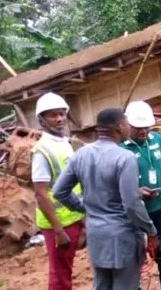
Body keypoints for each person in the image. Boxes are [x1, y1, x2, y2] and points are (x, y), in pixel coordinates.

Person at [53, 108, 158, 290]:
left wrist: (87, 208)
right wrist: (150, 230)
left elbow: (59, 191)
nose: (128, 128)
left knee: (102, 285)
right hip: (122, 236)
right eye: (126, 124)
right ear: (119, 127)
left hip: (96, 235)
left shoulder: (81, 154)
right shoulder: (125, 158)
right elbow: (131, 204)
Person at [121, 101, 161, 290]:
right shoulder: (121, 148)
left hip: (156, 208)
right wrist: (136, 191)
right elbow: (113, 183)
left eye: (146, 127)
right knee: (136, 257)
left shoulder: (154, 139)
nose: (143, 131)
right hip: (134, 215)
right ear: (127, 124)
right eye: (138, 128)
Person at [31, 92, 85, 290]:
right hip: (59, 223)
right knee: (60, 276)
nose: (60, 119)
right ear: (42, 120)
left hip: (74, 215)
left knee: (67, 270)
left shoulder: (64, 143)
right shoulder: (41, 151)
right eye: (53, 115)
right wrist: (58, 230)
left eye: (62, 114)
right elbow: (40, 193)